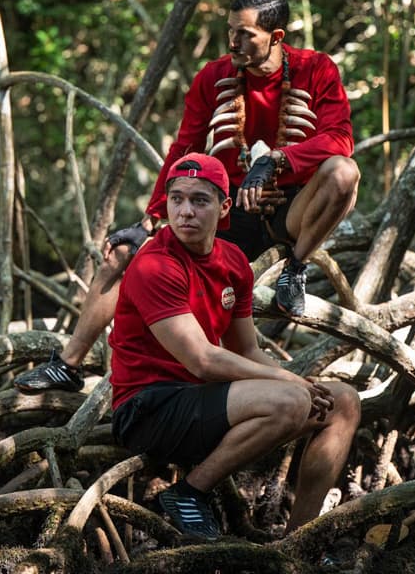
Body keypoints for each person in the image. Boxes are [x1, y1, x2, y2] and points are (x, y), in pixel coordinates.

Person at [14, 0, 358, 393]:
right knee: (123, 256)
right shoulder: (214, 77)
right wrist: (152, 216)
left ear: (276, 37)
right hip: (223, 214)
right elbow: (186, 148)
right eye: (231, 30)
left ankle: (296, 269)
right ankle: (68, 364)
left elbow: (339, 137)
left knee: (343, 173)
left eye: (246, 34)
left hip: (289, 210)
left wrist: (276, 162)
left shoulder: (315, 69)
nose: (234, 41)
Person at [108, 153, 359, 539]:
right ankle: (189, 492)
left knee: (342, 402)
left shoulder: (233, 261)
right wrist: (289, 383)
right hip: (148, 409)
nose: (185, 212)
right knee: (292, 401)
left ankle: (301, 539)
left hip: (202, 400)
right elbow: (203, 360)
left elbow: (246, 351)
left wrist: (296, 381)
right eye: (176, 199)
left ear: (225, 207)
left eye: (199, 200)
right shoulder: (154, 265)